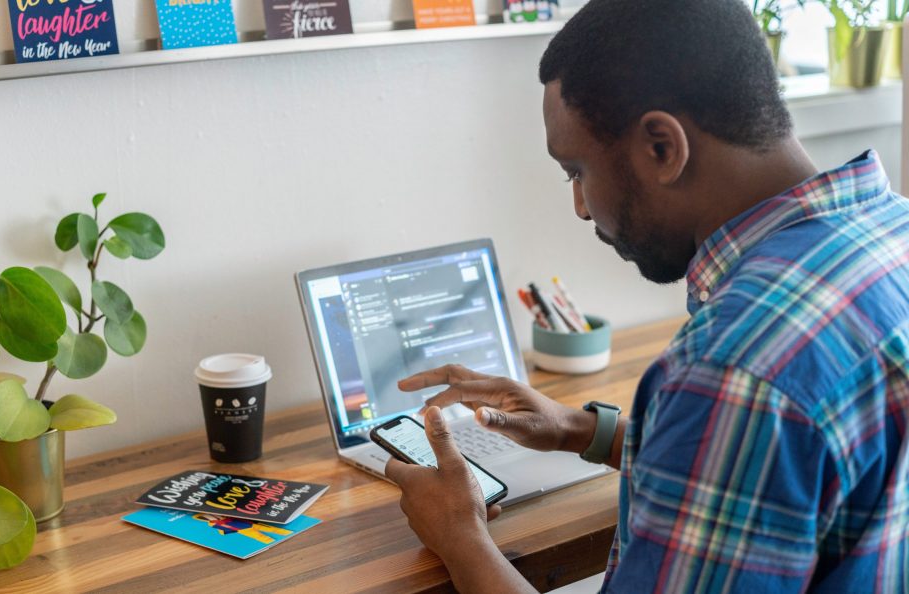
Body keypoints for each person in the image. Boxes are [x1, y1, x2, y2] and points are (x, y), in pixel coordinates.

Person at [384, 0, 909, 592]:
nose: (581, 207)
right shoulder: (892, 235)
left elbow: (750, 411)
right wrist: (582, 430)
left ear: (662, 146)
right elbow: (786, 471)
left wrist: (460, 536)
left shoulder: (734, 367)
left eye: (576, 171)